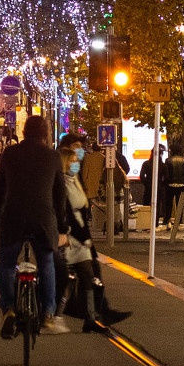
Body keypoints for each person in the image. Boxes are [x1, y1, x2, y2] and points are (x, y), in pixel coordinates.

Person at [0, 115, 69, 339]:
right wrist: (62, 225)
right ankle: (49, 312)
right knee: (46, 262)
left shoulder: (11, 154)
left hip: (14, 218)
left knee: (6, 264)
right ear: (45, 133)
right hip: (43, 219)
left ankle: (9, 309)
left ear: (23, 132)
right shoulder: (52, 157)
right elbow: (60, 194)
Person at [55, 138, 130, 332]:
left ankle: (91, 316)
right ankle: (56, 314)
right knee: (70, 278)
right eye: (77, 150)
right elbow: (67, 211)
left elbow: (80, 208)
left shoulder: (75, 178)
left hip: (80, 237)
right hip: (70, 236)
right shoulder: (61, 181)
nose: (80, 155)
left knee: (88, 274)